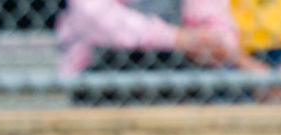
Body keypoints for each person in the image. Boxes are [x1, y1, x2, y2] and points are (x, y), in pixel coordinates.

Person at [55, 0, 243, 104]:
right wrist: (175, 37)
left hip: (176, 66)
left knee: (219, 86)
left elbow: (220, 25)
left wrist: (216, 41)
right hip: (107, 68)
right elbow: (101, 18)